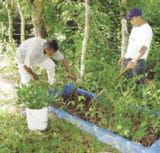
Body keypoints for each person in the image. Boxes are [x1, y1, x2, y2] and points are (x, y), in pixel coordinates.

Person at [119, 8, 153, 78]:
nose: (130, 21)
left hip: (137, 62)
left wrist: (134, 60)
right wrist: (124, 56)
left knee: (136, 85)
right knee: (126, 85)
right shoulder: (134, 28)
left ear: (138, 17)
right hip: (128, 61)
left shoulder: (146, 30)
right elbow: (131, 44)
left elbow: (144, 47)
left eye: (131, 19)